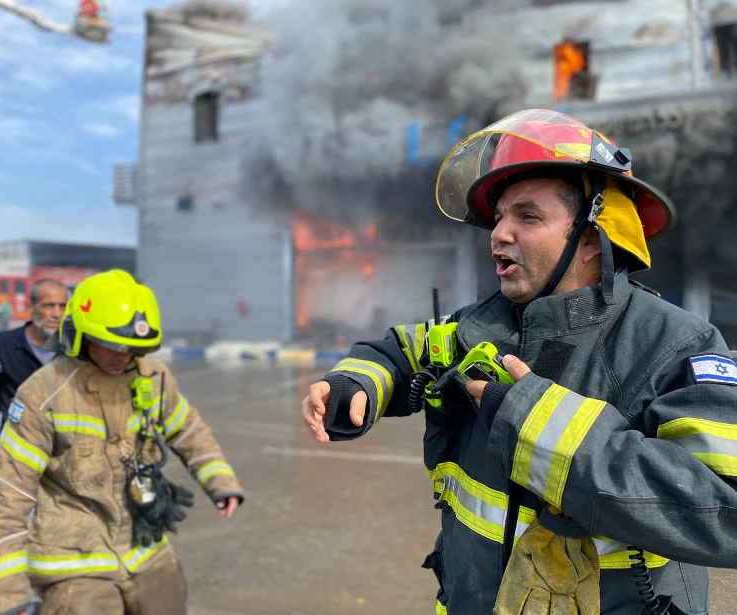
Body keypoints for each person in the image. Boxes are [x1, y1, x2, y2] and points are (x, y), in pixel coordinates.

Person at [302, 109, 737, 615]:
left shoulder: (676, 342)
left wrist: (535, 421)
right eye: (500, 217)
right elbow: (400, 351)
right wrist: (357, 383)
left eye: (527, 217)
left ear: (593, 239)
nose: (499, 233)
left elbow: (722, 509)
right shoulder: (480, 326)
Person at [0, 270, 244, 615]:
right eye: (115, 345)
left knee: (168, 600)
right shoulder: (42, 395)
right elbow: (6, 497)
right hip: (73, 559)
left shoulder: (153, 377)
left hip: (143, 544)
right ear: (82, 336)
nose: (125, 356)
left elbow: (188, 429)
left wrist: (221, 483)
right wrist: (5, 600)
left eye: (134, 347)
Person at [0, 279, 69, 473]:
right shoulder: (4, 345)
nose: (57, 314)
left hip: (63, 451)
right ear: (31, 307)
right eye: (49, 306)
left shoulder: (74, 348)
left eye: (62, 306)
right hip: (16, 447)